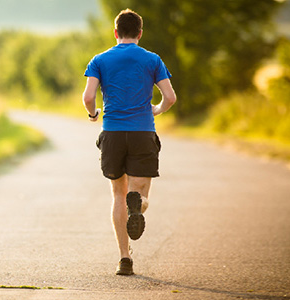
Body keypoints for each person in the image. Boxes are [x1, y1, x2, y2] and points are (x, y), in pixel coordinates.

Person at [82, 8, 176, 276]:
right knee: (140, 195)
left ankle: (124, 259)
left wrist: (93, 115)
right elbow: (170, 98)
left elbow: (88, 97)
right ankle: (139, 205)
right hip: (142, 132)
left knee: (117, 195)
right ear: (140, 33)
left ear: (115, 33)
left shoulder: (100, 59)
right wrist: (156, 109)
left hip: (112, 133)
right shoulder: (152, 59)